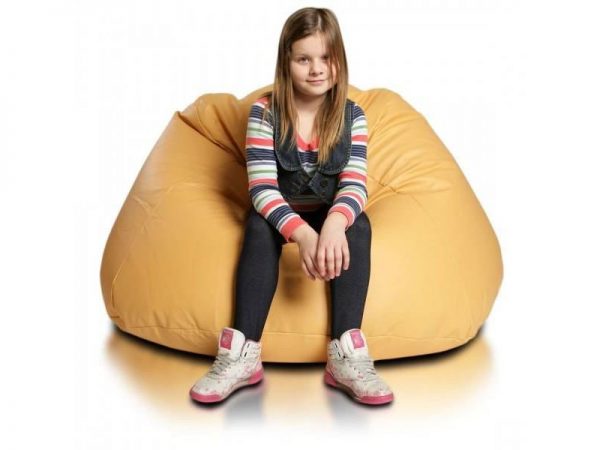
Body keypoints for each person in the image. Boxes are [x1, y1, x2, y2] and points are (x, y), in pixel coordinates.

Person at [189, 7, 393, 406]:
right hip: (280, 213)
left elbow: (354, 184)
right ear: (286, 62)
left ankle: (347, 353)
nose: (316, 69)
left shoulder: (353, 116)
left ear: (340, 60)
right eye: (304, 59)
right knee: (256, 225)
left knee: (359, 225)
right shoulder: (265, 113)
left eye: (326, 58)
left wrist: (333, 225)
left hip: (330, 211)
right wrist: (302, 234)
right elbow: (263, 190)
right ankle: (242, 352)